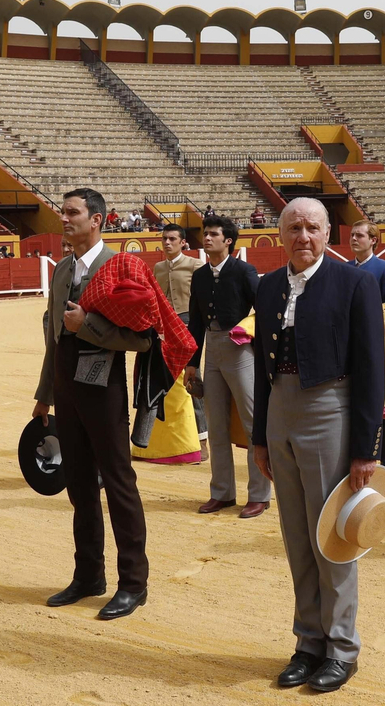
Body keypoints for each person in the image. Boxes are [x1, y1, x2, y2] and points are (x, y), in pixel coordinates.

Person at [249, 197, 384, 693]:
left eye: (312, 228)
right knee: (296, 536)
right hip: (282, 412)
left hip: (331, 408)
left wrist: (366, 448)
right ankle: (309, 641)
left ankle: (342, 647)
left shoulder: (355, 282)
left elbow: (372, 369)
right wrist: (261, 434)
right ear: (280, 235)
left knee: (332, 536)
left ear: (329, 234)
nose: (302, 236)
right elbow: (261, 372)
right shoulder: (266, 288)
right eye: (294, 228)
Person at [32, 188, 153, 620]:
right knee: (79, 483)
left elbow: (142, 338)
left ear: (96, 220)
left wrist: (88, 327)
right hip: (66, 385)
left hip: (104, 386)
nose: (63, 219)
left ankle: (134, 583)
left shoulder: (121, 267)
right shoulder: (63, 269)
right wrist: (44, 396)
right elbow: (52, 338)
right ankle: (88, 575)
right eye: (62, 213)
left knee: (119, 482)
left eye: (71, 213)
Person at [184, 214, 270, 516]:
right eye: (205, 233)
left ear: (228, 240)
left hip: (241, 351)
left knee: (251, 422)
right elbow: (195, 321)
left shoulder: (244, 271)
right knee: (215, 423)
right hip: (213, 351)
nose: (206, 238)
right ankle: (222, 492)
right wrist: (192, 363)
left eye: (213, 234)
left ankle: (259, 494)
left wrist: (256, 347)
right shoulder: (200, 275)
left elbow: (264, 312)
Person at [349, 219, 385, 471]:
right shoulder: (343, 269)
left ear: (373, 240)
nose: (353, 239)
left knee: (384, 404)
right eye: (352, 235)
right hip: (349, 347)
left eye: (360, 235)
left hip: (378, 346)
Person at [152, 224, 207, 448]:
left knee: (192, 380)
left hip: (187, 325)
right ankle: (167, 442)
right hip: (165, 329)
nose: (167, 242)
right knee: (162, 382)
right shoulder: (158, 267)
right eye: (164, 238)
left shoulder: (195, 265)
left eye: (172, 239)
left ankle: (202, 439)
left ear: (183, 242)